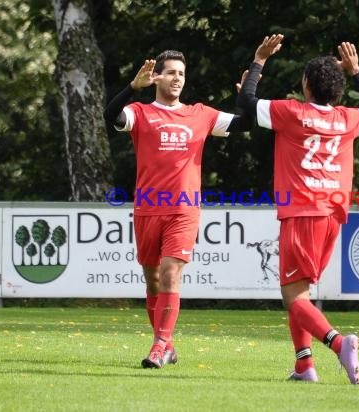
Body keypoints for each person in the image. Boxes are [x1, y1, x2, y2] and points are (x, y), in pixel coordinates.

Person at [237, 35, 359, 384]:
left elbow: (247, 101)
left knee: (292, 296)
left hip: (302, 212)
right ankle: (304, 366)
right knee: (300, 292)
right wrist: (358, 71)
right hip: (333, 214)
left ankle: (339, 343)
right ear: (338, 91)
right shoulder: (348, 118)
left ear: (305, 85)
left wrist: (259, 60)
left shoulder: (291, 112)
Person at [104, 51, 253, 369]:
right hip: (147, 209)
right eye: (170, 72)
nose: (176, 78)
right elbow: (111, 114)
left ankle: (158, 347)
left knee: (171, 274)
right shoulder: (140, 112)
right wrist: (133, 87)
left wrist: (248, 96)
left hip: (184, 210)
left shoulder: (201, 114)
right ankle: (167, 344)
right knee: (153, 280)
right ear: (156, 77)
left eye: (181, 74)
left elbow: (244, 124)